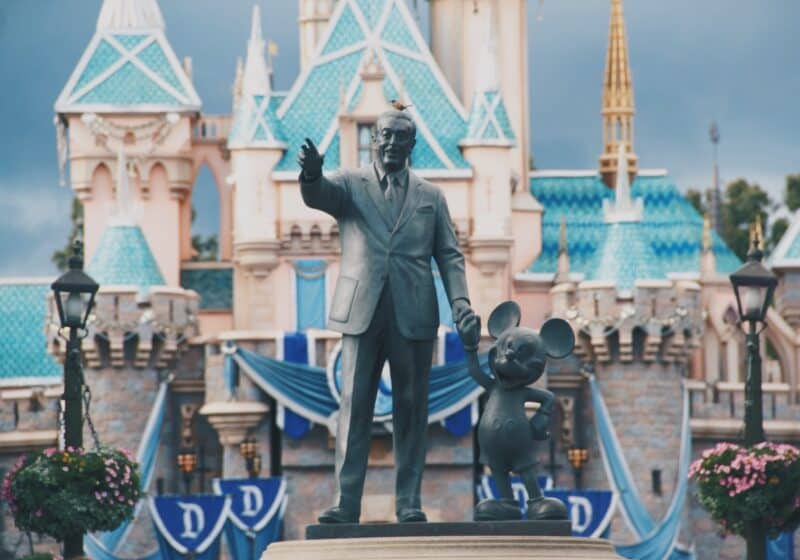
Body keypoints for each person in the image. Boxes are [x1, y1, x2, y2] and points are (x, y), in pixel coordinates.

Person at [298, 109, 476, 524]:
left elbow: (449, 255)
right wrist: (310, 176)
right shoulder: (349, 184)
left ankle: (409, 502)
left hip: (414, 312)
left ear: (412, 146)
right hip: (362, 309)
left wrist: (461, 302)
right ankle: (346, 503)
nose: (392, 143)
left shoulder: (431, 196)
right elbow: (319, 194)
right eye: (385, 136)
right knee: (354, 406)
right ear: (372, 140)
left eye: (401, 138)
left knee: (412, 411)